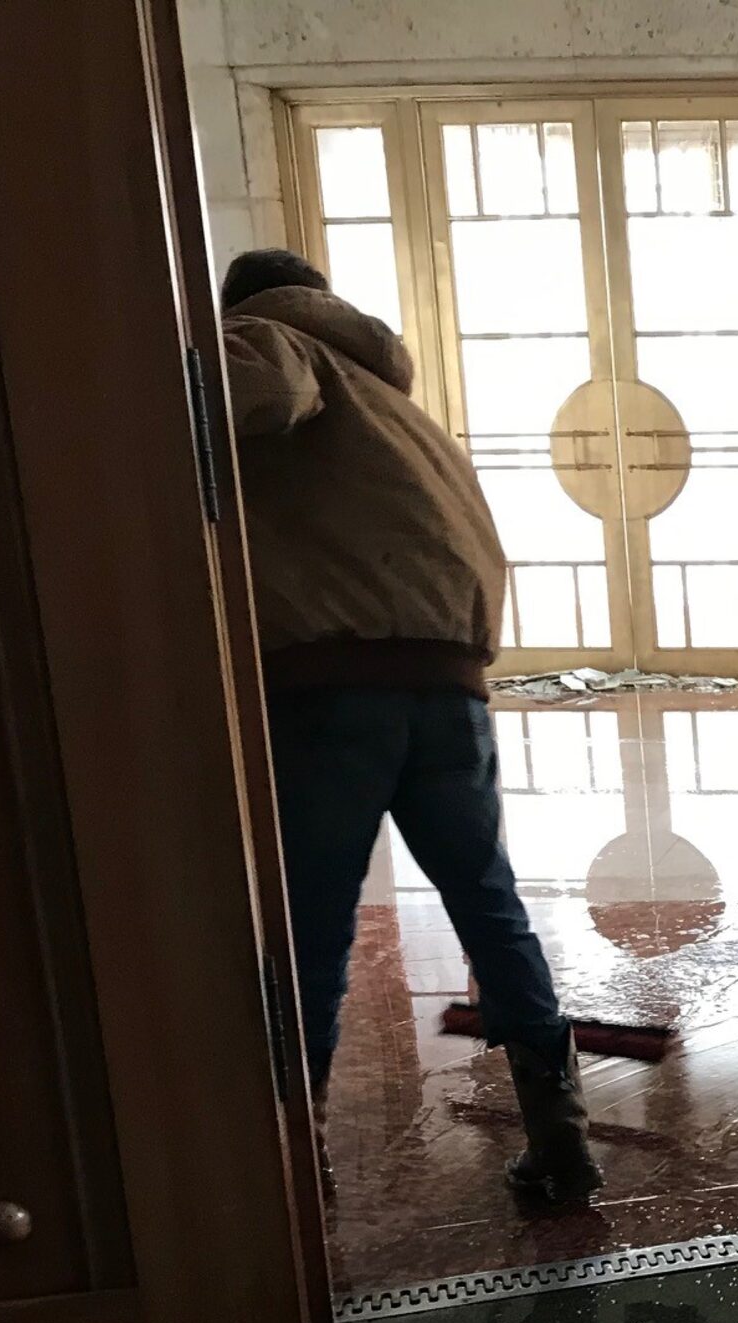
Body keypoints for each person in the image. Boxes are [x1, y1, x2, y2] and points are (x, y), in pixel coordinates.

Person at [219, 248, 602, 1204]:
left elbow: (249, 391)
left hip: (333, 689)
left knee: (311, 919)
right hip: (449, 685)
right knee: (489, 905)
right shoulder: (398, 406)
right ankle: (560, 1134)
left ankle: (293, 1165)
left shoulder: (271, 341)